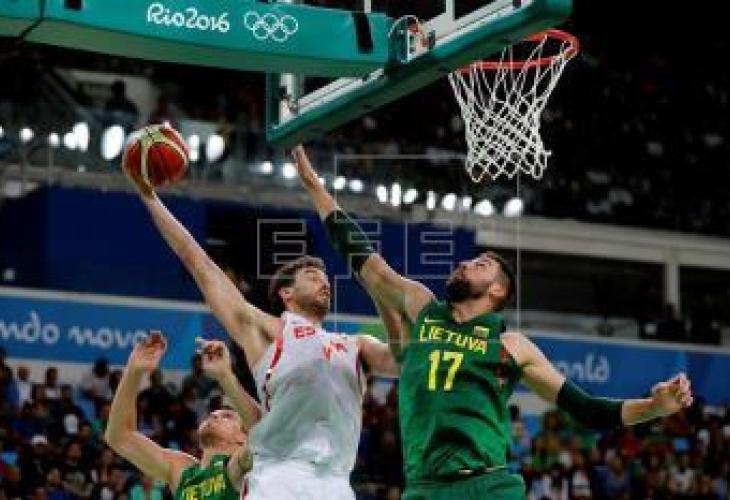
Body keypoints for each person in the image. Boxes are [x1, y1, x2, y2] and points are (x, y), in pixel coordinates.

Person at [291, 145, 694, 500]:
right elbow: (362, 255)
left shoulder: (512, 345)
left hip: (487, 486)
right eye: (470, 260)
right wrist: (314, 186)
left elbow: (587, 409)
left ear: (498, 291)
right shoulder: (423, 307)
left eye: (480, 264)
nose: (465, 263)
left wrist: (655, 407)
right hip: (424, 487)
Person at [124, 142, 399, 500]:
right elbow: (196, 261)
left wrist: (382, 288)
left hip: (335, 482)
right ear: (286, 293)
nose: (324, 282)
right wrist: (148, 196)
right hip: (280, 474)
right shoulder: (267, 330)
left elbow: (403, 361)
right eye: (312, 276)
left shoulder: (356, 346)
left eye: (325, 278)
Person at [105, 331, 254, 500]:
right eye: (213, 413)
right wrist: (133, 372)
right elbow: (119, 436)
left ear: (243, 437)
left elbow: (262, 436)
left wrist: (225, 376)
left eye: (227, 416)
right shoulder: (182, 471)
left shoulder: (242, 466)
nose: (214, 415)